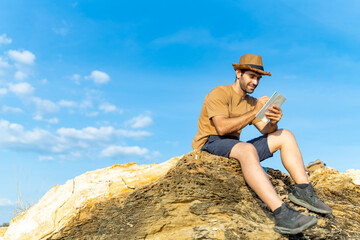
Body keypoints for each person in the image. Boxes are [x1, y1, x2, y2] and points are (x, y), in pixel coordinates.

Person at [192, 54, 332, 235]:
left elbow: (266, 130)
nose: (255, 82)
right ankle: (282, 213)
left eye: (258, 78)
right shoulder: (219, 93)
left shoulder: (251, 102)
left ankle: (303, 190)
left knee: (285, 135)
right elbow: (221, 128)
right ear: (238, 73)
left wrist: (273, 121)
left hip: (234, 146)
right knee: (247, 148)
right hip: (210, 143)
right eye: (251, 76)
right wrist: (256, 111)